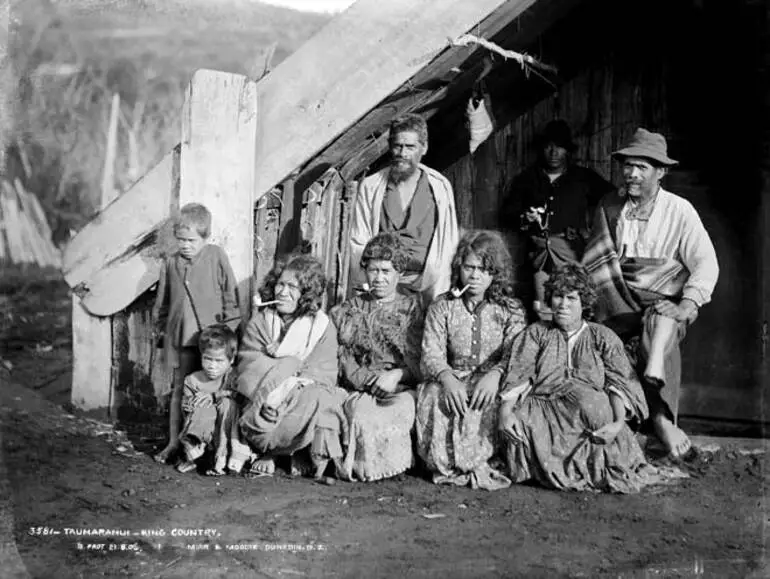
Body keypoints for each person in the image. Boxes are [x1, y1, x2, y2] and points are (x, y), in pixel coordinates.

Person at [582, 128, 719, 459]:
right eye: (628, 165)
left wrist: (687, 304)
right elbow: (598, 265)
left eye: (642, 167)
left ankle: (659, 415)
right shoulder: (611, 207)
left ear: (661, 172)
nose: (632, 174)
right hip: (618, 305)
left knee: (658, 324)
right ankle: (654, 420)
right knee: (605, 341)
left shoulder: (679, 211)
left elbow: (706, 263)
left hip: (665, 304)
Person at [498, 265, 659, 493]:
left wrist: (617, 424)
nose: (563, 304)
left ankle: (594, 466)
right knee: (520, 421)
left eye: (571, 298)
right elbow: (518, 377)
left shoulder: (601, 336)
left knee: (596, 408)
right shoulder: (536, 333)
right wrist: (506, 413)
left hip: (587, 413)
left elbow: (619, 384)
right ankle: (543, 470)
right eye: (557, 296)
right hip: (545, 408)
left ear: (584, 302)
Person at [416, 230, 527, 490]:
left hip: (493, 379)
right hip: (452, 376)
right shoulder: (443, 306)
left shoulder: (511, 309)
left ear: (495, 273)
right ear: (459, 268)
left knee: (491, 402)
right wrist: (447, 378)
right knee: (435, 395)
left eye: (484, 269)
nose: (475, 275)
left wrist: (496, 375)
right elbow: (431, 352)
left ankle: (485, 462)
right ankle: (446, 466)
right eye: (469, 267)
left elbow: (517, 353)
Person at [237, 254, 347, 478]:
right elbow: (249, 366)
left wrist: (287, 390)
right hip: (262, 397)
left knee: (320, 397)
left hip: (298, 397)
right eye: (280, 284)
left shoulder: (322, 326)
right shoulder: (261, 321)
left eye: (292, 287)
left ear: (306, 293)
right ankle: (270, 452)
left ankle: (290, 450)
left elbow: (323, 372)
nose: (282, 292)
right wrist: (276, 389)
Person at [330, 233, 425, 482]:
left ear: (399, 273)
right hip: (360, 386)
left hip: (400, 387)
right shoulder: (348, 310)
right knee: (359, 412)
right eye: (373, 270)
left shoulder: (413, 310)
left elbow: (422, 357)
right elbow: (340, 354)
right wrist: (367, 380)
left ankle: (396, 466)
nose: (379, 278)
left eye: (386, 271)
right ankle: (367, 469)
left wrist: (397, 375)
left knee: (403, 408)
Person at [499, 120, 615, 319]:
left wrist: (594, 231)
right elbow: (508, 214)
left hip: (573, 255)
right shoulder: (527, 179)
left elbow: (612, 199)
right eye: (548, 146)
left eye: (559, 147)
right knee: (544, 310)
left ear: (567, 150)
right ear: (542, 149)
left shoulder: (582, 178)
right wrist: (525, 218)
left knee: (575, 305)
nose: (554, 152)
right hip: (539, 256)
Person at [153, 203, 241, 464]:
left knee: (219, 389)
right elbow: (163, 303)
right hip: (182, 338)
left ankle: (216, 444)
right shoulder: (171, 263)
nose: (185, 245)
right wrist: (161, 332)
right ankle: (174, 443)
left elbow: (231, 298)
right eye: (180, 239)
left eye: (191, 240)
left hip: (213, 340)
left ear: (206, 237)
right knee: (181, 390)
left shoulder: (215, 256)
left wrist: (230, 334)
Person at [349, 113, 460, 305]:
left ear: (423, 148)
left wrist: (445, 282)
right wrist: (365, 283)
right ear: (390, 147)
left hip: (428, 283)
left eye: (410, 147)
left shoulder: (439, 186)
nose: (403, 153)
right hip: (383, 284)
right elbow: (360, 239)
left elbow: (449, 241)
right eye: (397, 146)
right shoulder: (371, 186)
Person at [175, 324, 251, 476]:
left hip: (227, 431)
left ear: (231, 360)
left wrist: (215, 396)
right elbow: (186, 409)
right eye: (207, 359)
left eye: (219, 361)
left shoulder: (233, 377)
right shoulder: (193, 380)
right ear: (201, 355)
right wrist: (193, 403)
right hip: (203, 432)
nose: (212, 366)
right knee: (203, 407)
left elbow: (242, 397)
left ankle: (226, 457)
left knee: (228, 403)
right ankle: (197, 455)